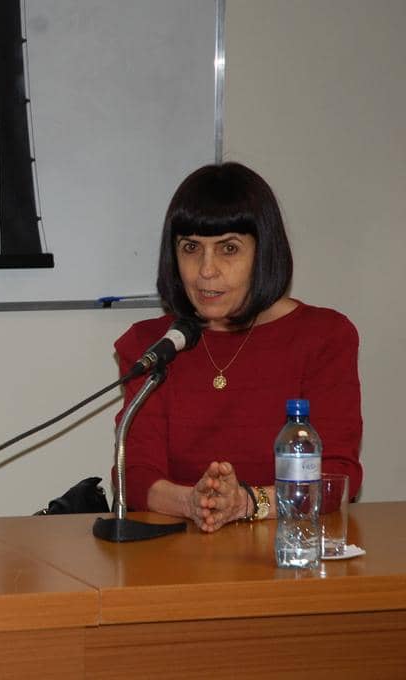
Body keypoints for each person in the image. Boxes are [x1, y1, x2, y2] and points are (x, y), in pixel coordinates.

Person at [113, 162, 362, 532]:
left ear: (264, 253)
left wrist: (246, 502)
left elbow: (337, 478)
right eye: (191, 248)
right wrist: (194, 502)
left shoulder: (324, 336)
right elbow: (134, 476)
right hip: (176, 559)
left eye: (229, 248)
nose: (206, 270)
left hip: (289, 555)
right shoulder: (153, 345)